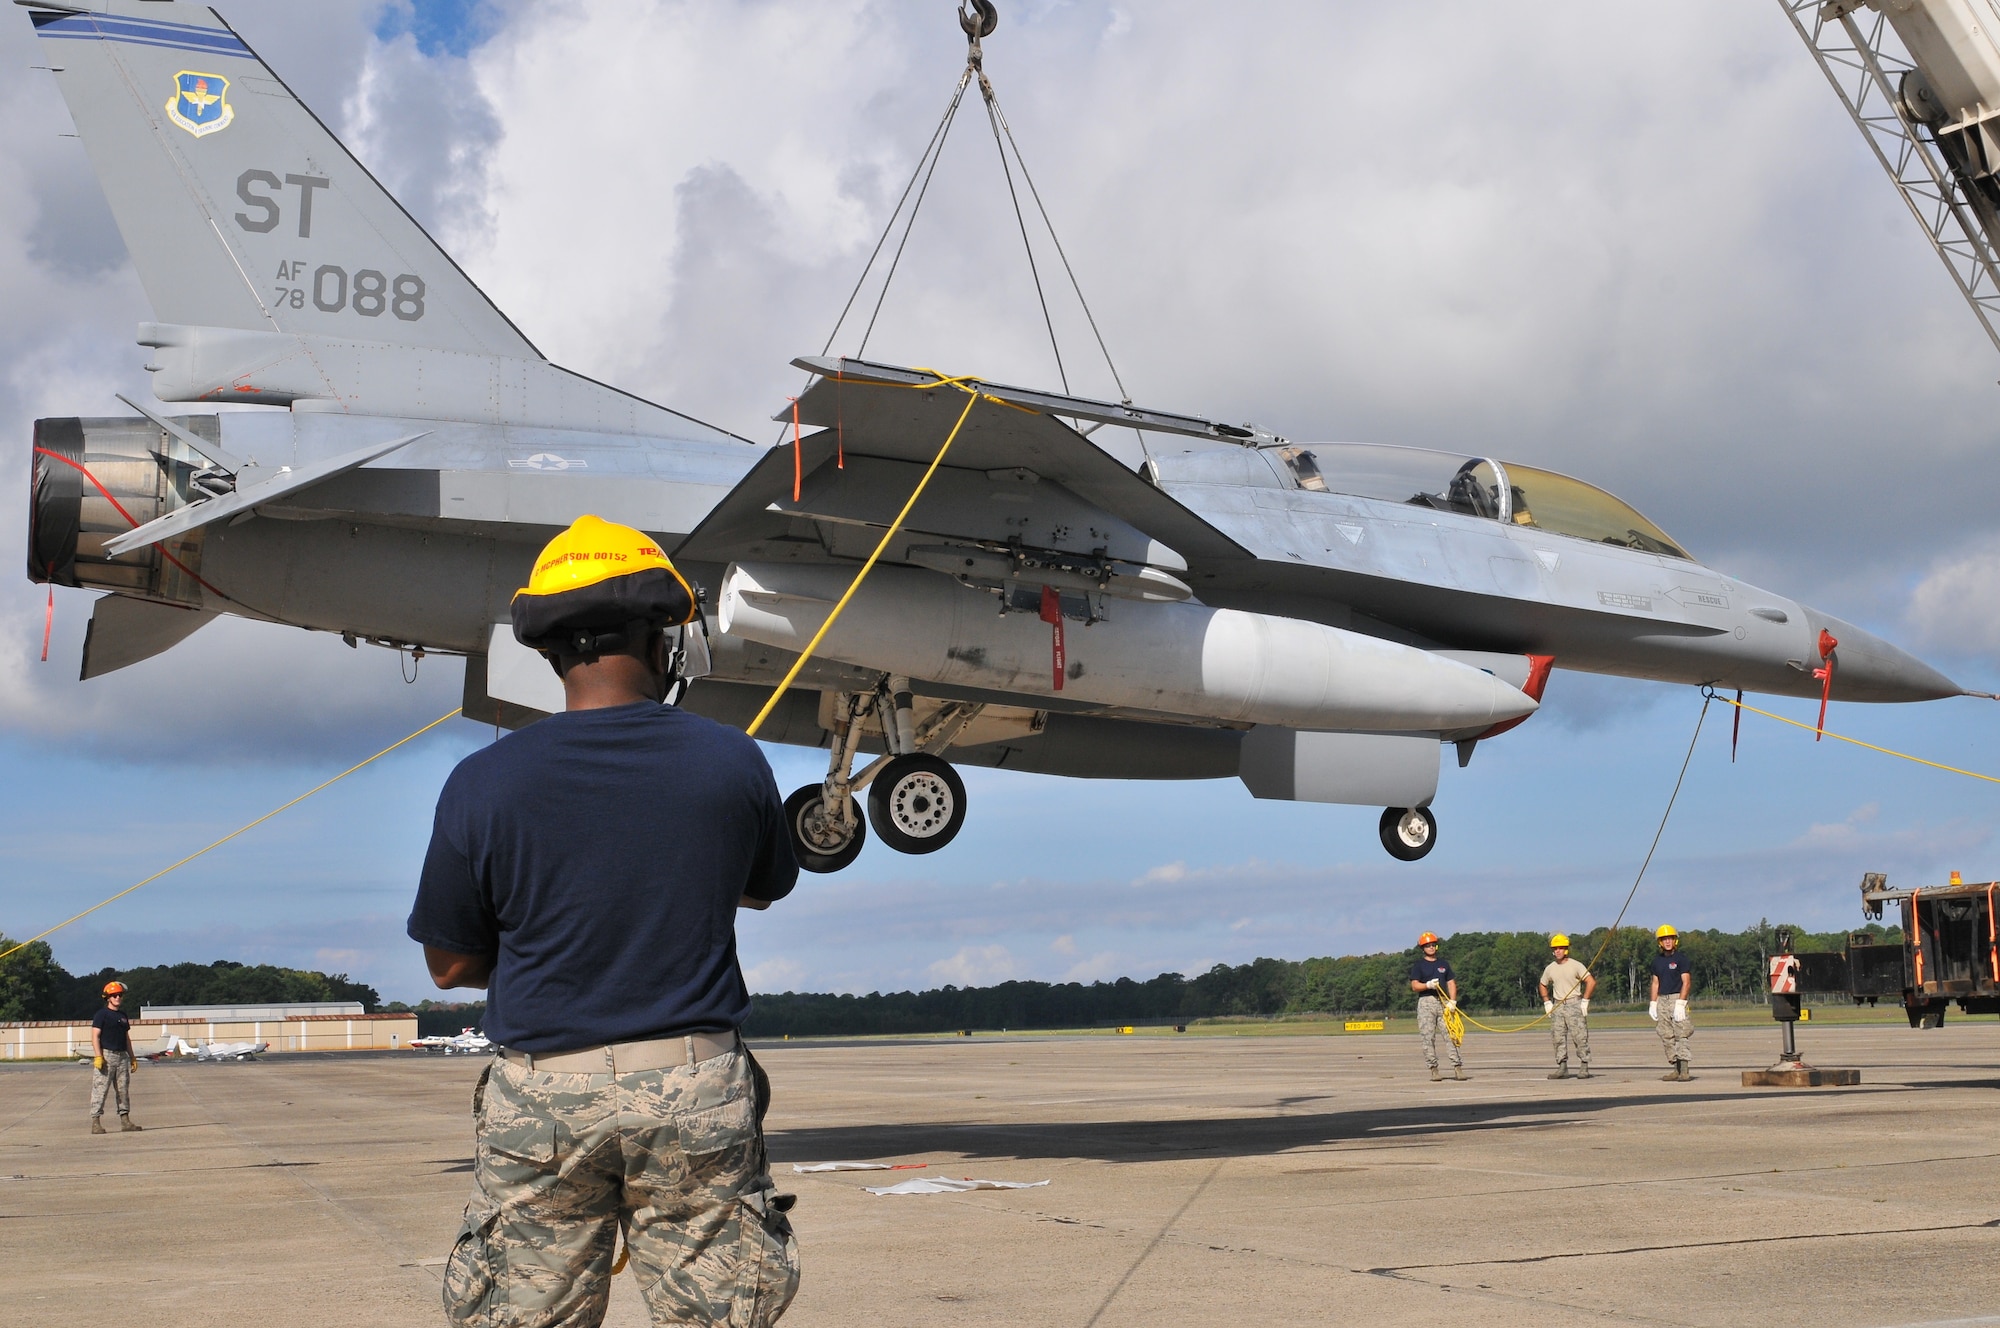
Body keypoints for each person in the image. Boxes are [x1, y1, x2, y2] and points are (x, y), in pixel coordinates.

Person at [407, 515, 801, 1328]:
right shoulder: (732, 760)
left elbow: (448, 966)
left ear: (548, 650)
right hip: (694, 1086)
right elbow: (760, 888)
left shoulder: (482, 782)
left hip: (545, 1092)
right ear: (666, 640)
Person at [1408, 932, 1466, 1081]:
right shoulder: (1418, 965)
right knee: (1428, 1037)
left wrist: (1452, 1001)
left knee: (1451, 1035)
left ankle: (1457, 1067)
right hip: (1426, 1002)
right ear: (1423, 948)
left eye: (1433, 944)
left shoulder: (1443, 964)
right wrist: (1427, 985)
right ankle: (1433, 1068)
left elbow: (1451, 983)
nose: (1431, 947)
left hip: (1443, 1002)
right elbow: (1414, 985)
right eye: (1428, 945)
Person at [1538, 934, 1595, 1080]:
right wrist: (1547, 1001)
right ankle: (1562, 1067)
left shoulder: (1576, 965)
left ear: (1566, 949)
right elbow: (1543, 984)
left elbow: (1590, 981)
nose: (1557, 951)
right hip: (1558, 1005)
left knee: (1580, 1036)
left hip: (1573, 1004)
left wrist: (1585, 1000)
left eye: (1561, 948)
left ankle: (1584, 1066)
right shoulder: (1550, 968)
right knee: (1558, 1037)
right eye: (1555, 948)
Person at [88, 981, 141, 1134]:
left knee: (123, 1089)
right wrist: (99, 1056)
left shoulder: (123, 1016)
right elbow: (95, 1036)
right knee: (100, 1089)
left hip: (122, 1056)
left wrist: (132, 1057)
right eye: (114, 995)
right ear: (107, 998)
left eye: (120, 995)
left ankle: (125, 1120)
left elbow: (127, 1038)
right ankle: (96, 1122)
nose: (118, 997)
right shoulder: (101, 1015)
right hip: (107, 1055)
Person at [1649, 924, 1694, 1081]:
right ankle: (1675, 1067)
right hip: (1662, 999)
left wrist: (1681, 1002)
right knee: (1666, 1035)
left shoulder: (1681, 959)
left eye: (1670, 939)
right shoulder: (1656, 961)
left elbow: (1686, 982)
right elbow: (1655, 982)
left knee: (1681, 1033)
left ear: (1675, 940)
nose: (1667, 942)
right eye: (1664, 939)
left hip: (1677, 998)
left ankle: (1684, 1070)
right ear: (1660, 942)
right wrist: (1653, 1003)